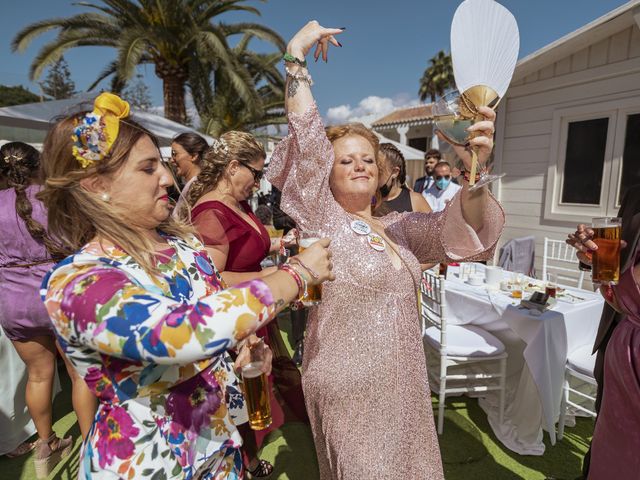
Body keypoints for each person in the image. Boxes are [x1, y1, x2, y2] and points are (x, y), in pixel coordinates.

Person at [38, 92, 333, 479]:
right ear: (95, 185)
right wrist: (294, 275)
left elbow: (215, 306)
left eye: (162, 164)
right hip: (147, 466)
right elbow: (178, 333)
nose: (166, 177)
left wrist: (241, 344)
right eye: (147, 169)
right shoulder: (75, 281)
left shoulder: (184, 248)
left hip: (219, 452)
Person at [267, 21, 505, 479]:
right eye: (345, 159)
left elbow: (458, 231)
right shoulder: (323, 220)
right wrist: (295, 58)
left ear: (381, 172)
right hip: (348, 387)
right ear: (325, 175)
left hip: (404, 386)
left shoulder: (399, 227)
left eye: (367, 159)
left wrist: (474, 168)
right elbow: (310, 145)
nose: (359, 164)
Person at [186, 132, 307, 477]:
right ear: (234, 167)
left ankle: (249, 456)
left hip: (254, 310)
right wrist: (281, 277)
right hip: (233, 316)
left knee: (258, 389)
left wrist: (284, 241)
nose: (258, 182)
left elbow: (251, 245)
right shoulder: (209, 212)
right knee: (238, 395)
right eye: (256, 173)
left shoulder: (237, 204)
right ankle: (244, 463)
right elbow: (214, 278)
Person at [0, 141, 96, 478]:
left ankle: (45, 443)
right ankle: (89, 443)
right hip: (56, 293)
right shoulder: (55, 198)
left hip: (13, 302)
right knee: (78, 373)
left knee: (38, 374)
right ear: (40, 165)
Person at [566, 184, 640, 479]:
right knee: (605, 440)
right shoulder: (635, 193)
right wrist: (590, 256)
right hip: (618, 342)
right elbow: (613, 266)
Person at [376, 142, 432, 215]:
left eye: (379, 170)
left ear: (395, 172)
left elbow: (436, 225)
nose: (373, 174)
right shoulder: (365, 202)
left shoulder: (415, 200)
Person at [170, 132, 208, 216]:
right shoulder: (195, 184)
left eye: (175, 154)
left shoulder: (197, 187)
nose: (172, 160)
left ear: (194, 156)